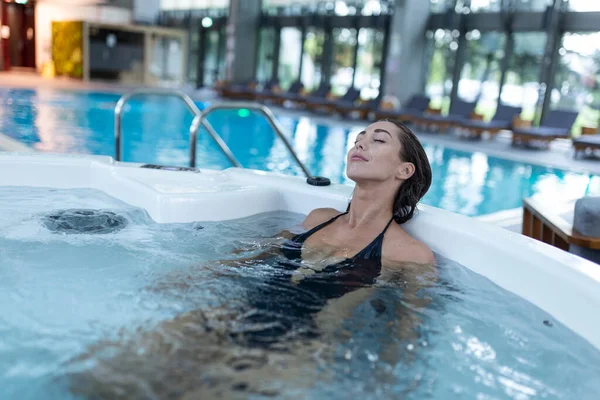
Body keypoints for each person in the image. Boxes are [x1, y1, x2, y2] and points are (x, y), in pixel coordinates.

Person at [69, 119, 438, 399]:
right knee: (99, 376)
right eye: (359, 138)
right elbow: (258, 253)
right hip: (235, 314)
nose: (360, 143)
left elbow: (407, 332)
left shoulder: (410, 254)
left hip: (295, 347)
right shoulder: (317, 219)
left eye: (377, 140)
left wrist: (387, 383)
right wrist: (203, 273)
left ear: (404, 170)